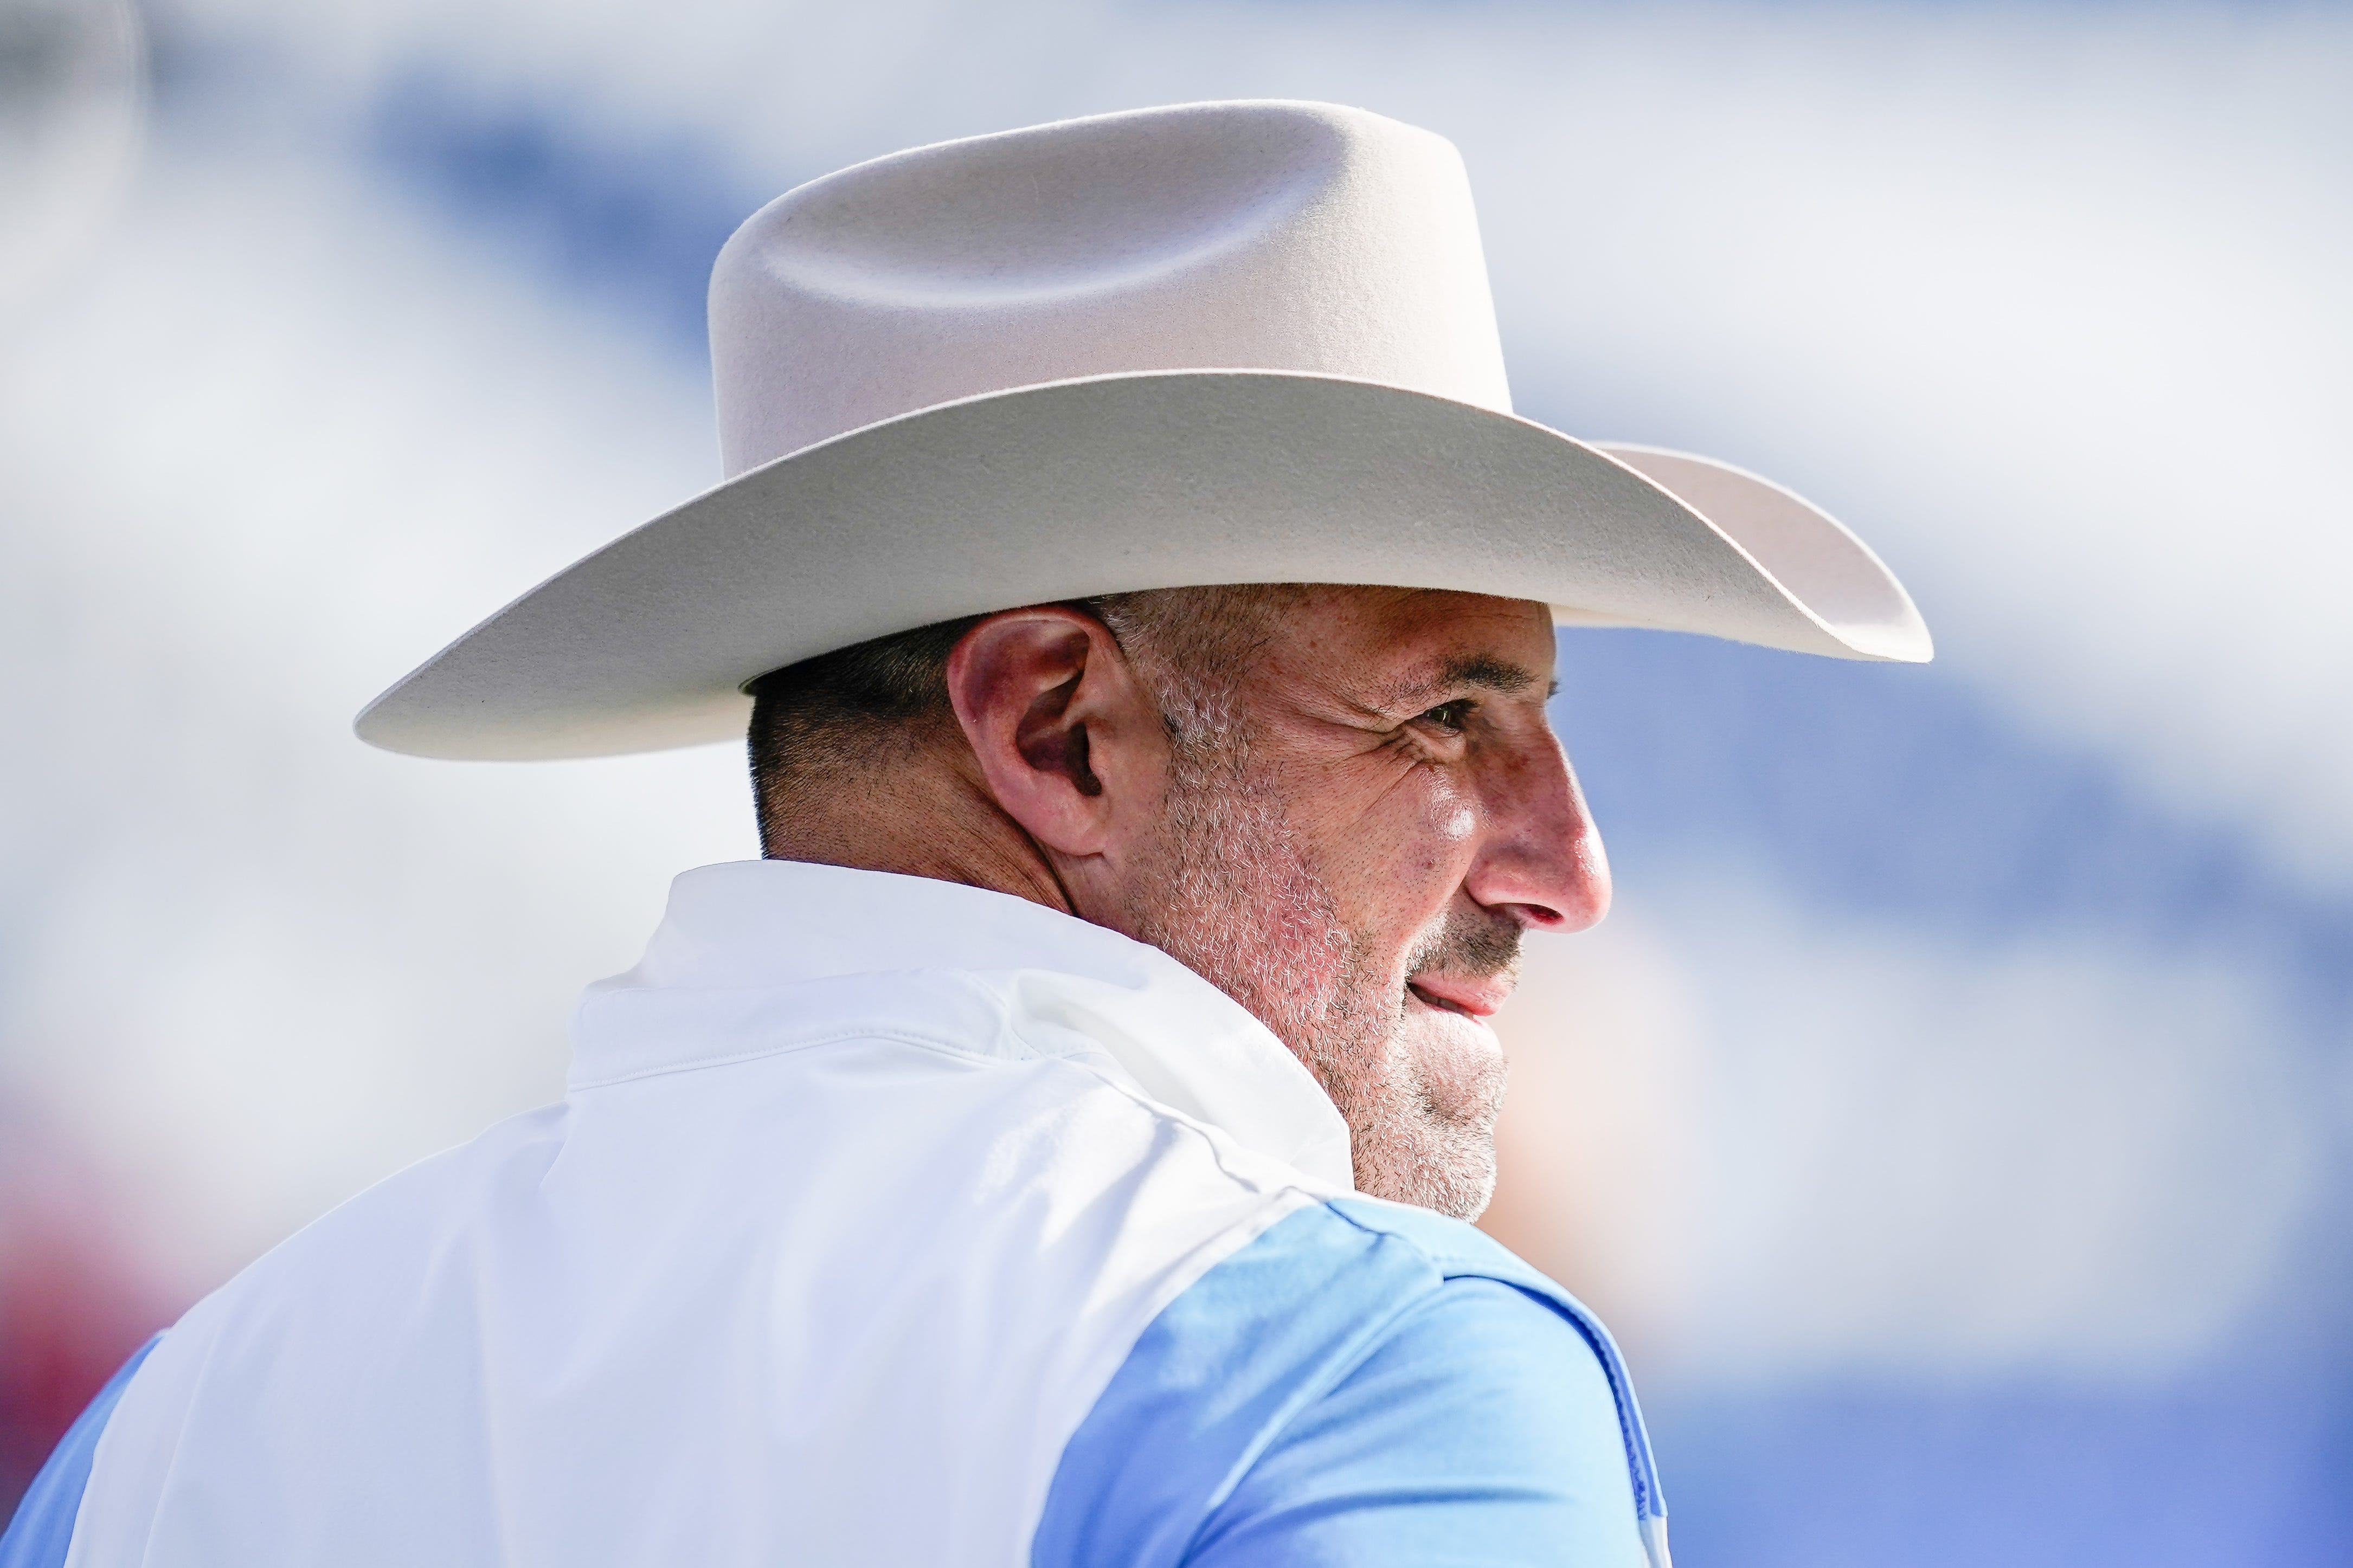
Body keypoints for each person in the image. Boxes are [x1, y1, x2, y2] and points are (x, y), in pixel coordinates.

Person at [2, 100, 1928, 1568]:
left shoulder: (176, 1426)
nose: (1563, 866)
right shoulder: (1354, 1370)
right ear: (1051, 728)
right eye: (1444, 714)